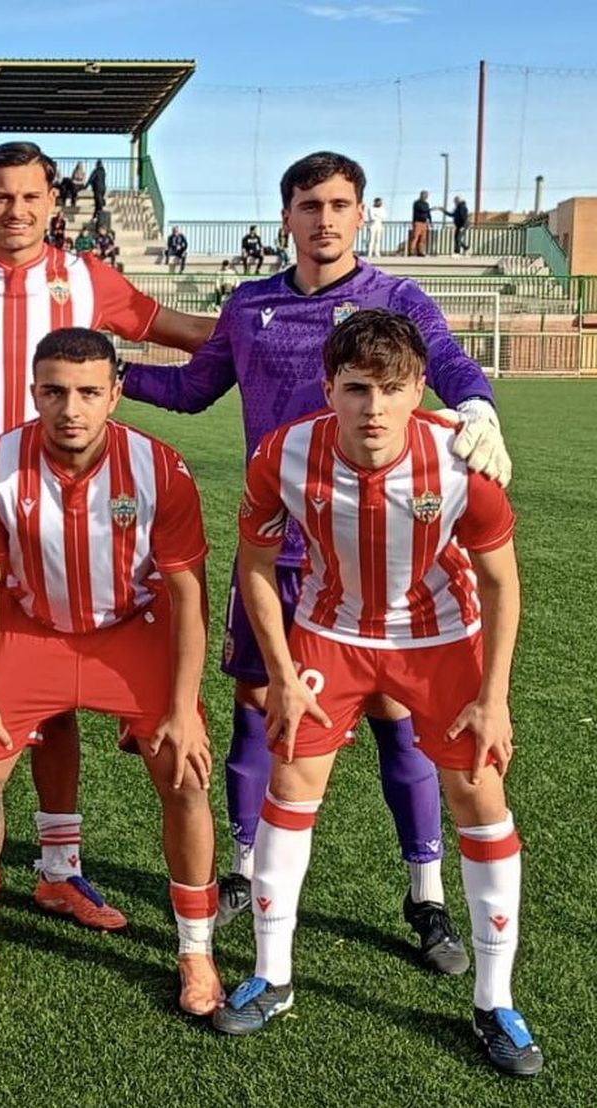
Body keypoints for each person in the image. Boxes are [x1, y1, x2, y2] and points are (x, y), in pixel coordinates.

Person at [119, 150, 512, 958]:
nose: (324, 219)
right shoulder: (251, 303)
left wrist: (476, 405)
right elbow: (195, 389)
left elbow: (445, 359)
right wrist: (109, 373)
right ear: (286, 217)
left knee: (395, 721)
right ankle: (240, 868)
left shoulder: (394, 298)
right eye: (308, 205)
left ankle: (425, 891)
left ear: (361, 214)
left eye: (338, 204)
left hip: (373, 557)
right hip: (276, 548)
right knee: (259, 716)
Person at [0, 140, 215, 928]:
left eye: (31, 197)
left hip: (77, 514)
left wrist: (291, 337)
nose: (16, 210)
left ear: (54, 205)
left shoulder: (86, 278)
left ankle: (59, 868)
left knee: (57, 698)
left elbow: (181, 330)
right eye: (1, 196)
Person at [215, 309, 544, 1078]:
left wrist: (493, 697)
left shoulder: (460, 462)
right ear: (329, 388)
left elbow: (501, 584)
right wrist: (284, 674)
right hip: (333, 632)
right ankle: (274, 975)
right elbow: (256, 565)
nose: (373, 408)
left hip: (440, 640)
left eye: (391, 390)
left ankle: (494, 1001)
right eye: (356, 388)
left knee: (481, 796)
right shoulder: (284, 453)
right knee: (291, 782)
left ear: (420, 390)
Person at [0, 327, 221, 1015]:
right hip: (33, 629)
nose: (71, 409)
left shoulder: (160, 469)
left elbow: (186, 598)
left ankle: (196, 949)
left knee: (184, 773)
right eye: (54, 392)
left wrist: (184, 707)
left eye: (89, 392)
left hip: (132, 633)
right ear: (34, 393)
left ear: (116, 394)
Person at [408, 189, 432, 257]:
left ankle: (420, 251)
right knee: (415, 237)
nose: (426, 196)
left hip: (424, 223)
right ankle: (412, 251)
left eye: (427, 195)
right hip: (418, 222)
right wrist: (430, 209)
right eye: (425, 195)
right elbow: (422, 210)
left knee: (423, 238)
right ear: (421, 195)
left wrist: (430, 221)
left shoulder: (427, 204)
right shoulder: (417, 203)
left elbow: (428, 213)